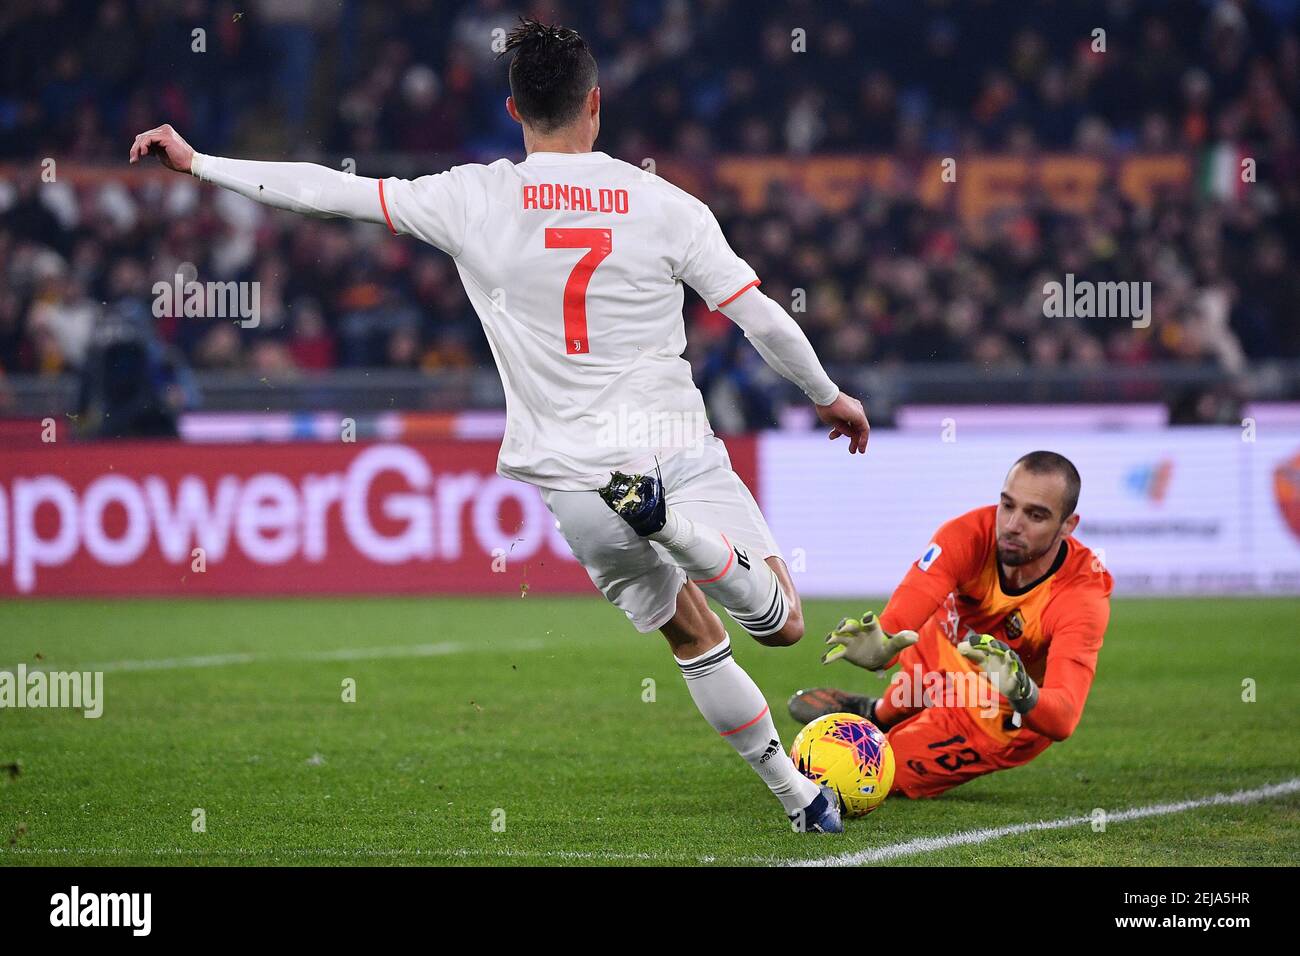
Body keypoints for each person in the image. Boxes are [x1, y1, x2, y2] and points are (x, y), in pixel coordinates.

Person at [129, 18, 869, 833]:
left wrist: (200, 163)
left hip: (579, 482)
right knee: (783, 623)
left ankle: (800, 801)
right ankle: (688, 536)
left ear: (513, 110)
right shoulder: (669, 206)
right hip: (675, 446)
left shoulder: (471, 196)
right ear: (596, 103)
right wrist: (828, 394)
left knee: (690, 635)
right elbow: (760, 318)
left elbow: (326, 191)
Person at [789, 451, 1112, 799]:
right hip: (945, 653)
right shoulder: (968, 534)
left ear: (1068, 525)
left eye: (1035, 515)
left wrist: (1021, 690)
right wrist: (881, 646)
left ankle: (885, 729)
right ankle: (880, 714)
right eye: (1007, 505)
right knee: (933, 626)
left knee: (860, 776)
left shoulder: (1081, 595)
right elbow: (905, 616)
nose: (1012, 524)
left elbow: (1062, 719)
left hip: (1003, 706)